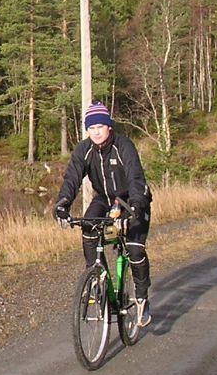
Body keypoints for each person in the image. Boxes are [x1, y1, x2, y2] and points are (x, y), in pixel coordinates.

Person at [53, 101, 153, 327]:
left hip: (130, 200)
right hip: (104, 199)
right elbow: (72, 179)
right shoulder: (84, 149)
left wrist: (136, 206)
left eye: (100, 126)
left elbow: (136, 178)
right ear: (87, 130)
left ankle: (142, 298)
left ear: (109, 126)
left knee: (135, 250)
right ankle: (97, 280)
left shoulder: (123, 145)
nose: (96, 132)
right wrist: (62, 204)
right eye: (91, 128)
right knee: (88, 226)